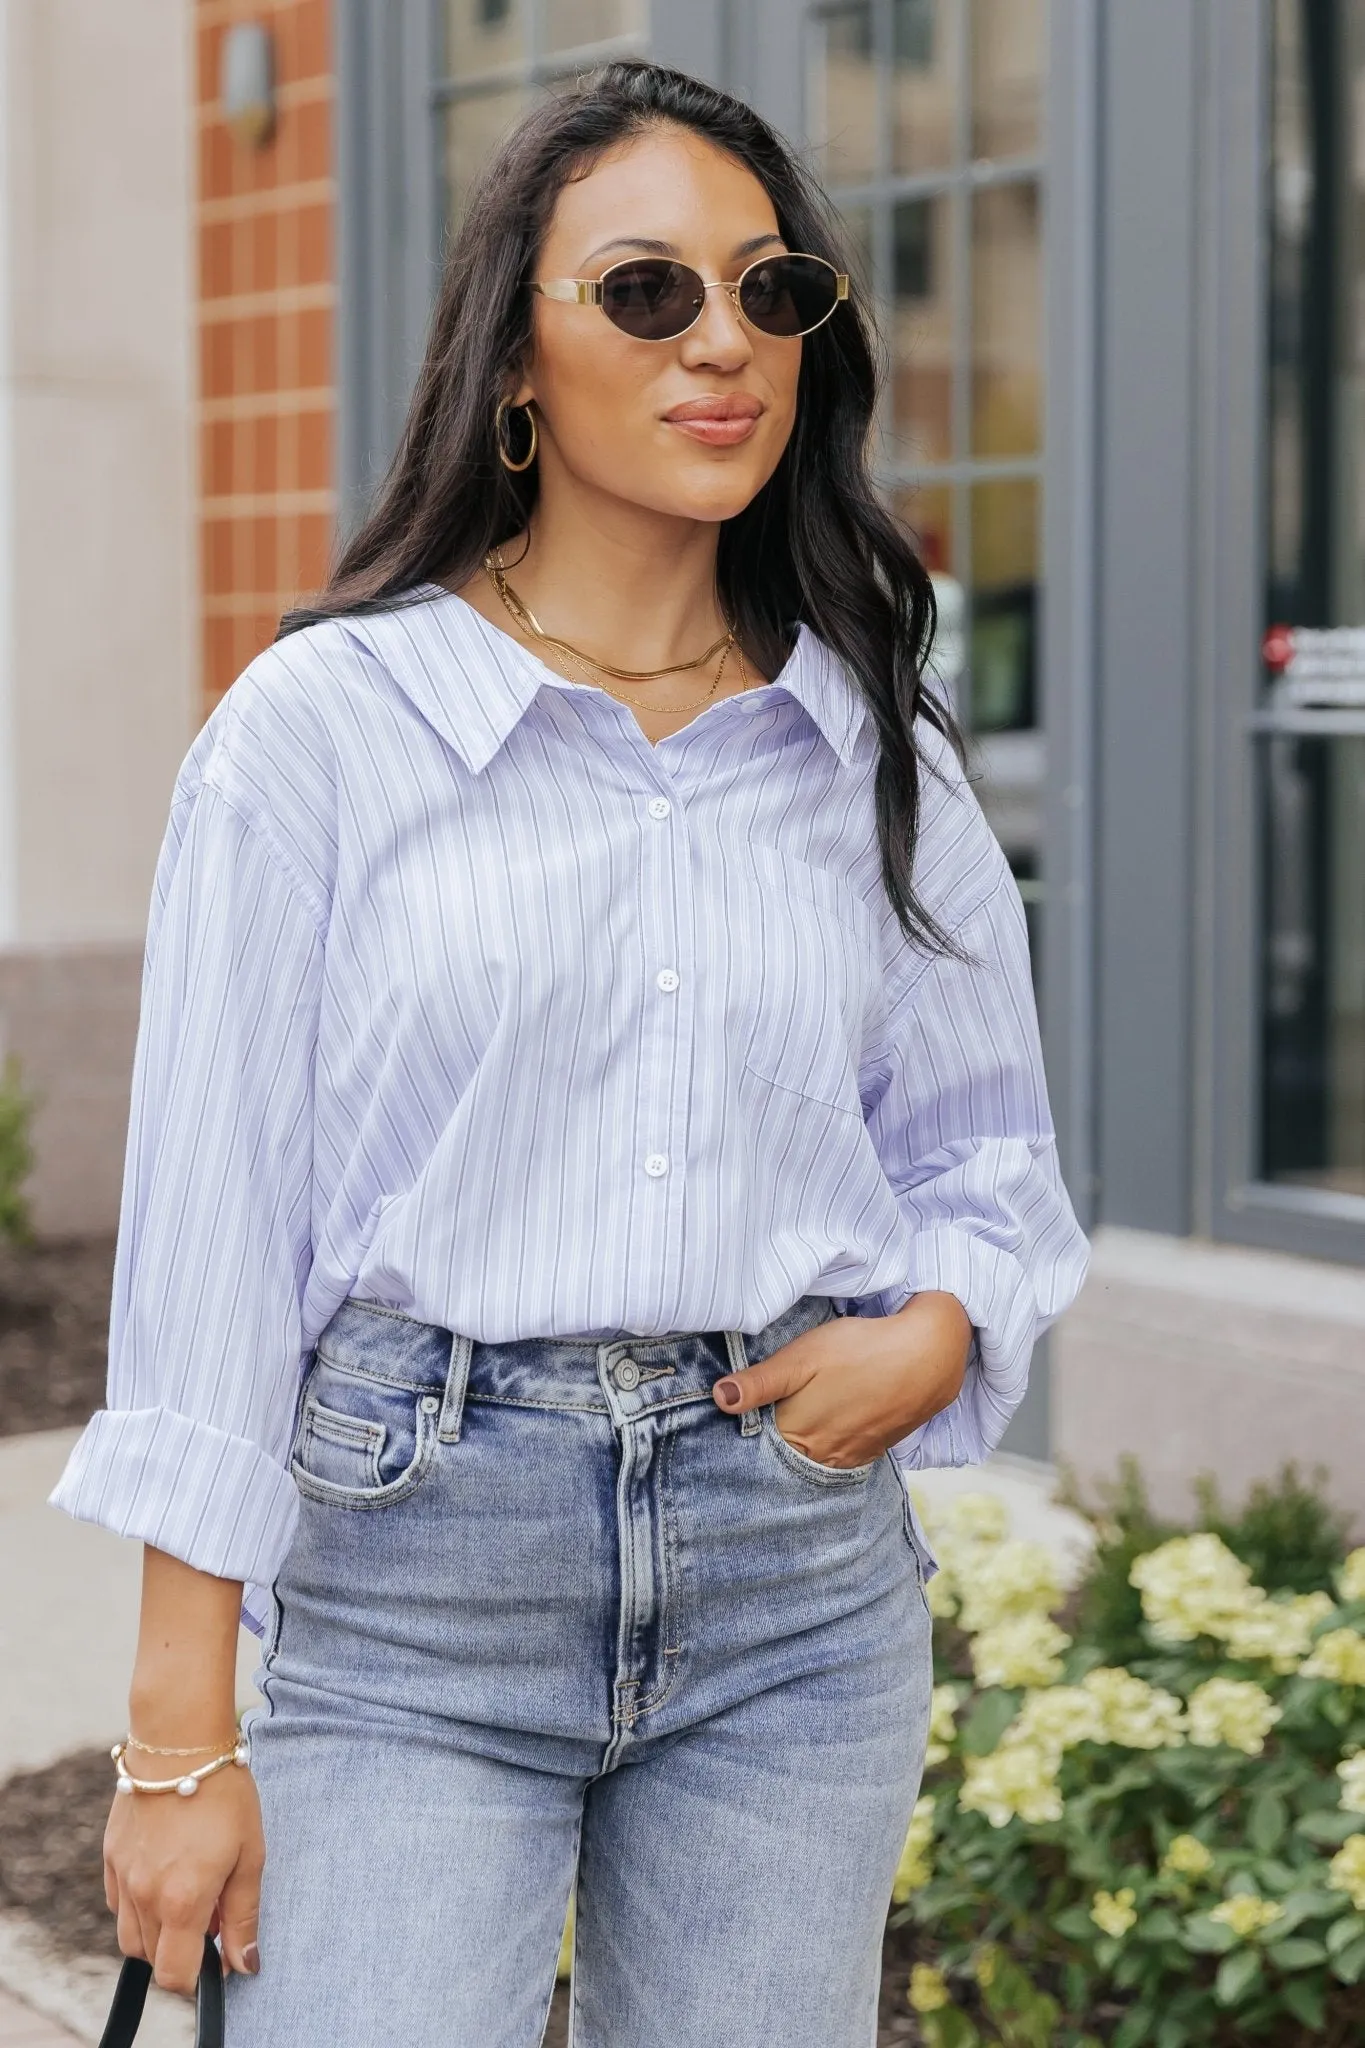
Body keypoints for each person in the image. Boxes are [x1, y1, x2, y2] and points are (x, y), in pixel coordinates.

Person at [51, 60, 1088, 2048]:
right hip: (414, 1571)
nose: (723, 343)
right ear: (511, 363)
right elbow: (211, 1237)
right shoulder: (324, 729)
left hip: (794, 1584)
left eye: (771, 293)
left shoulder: (871, 747)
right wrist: (178, 1735)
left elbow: (984, 1153)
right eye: (644, 292)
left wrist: (947, 1322)